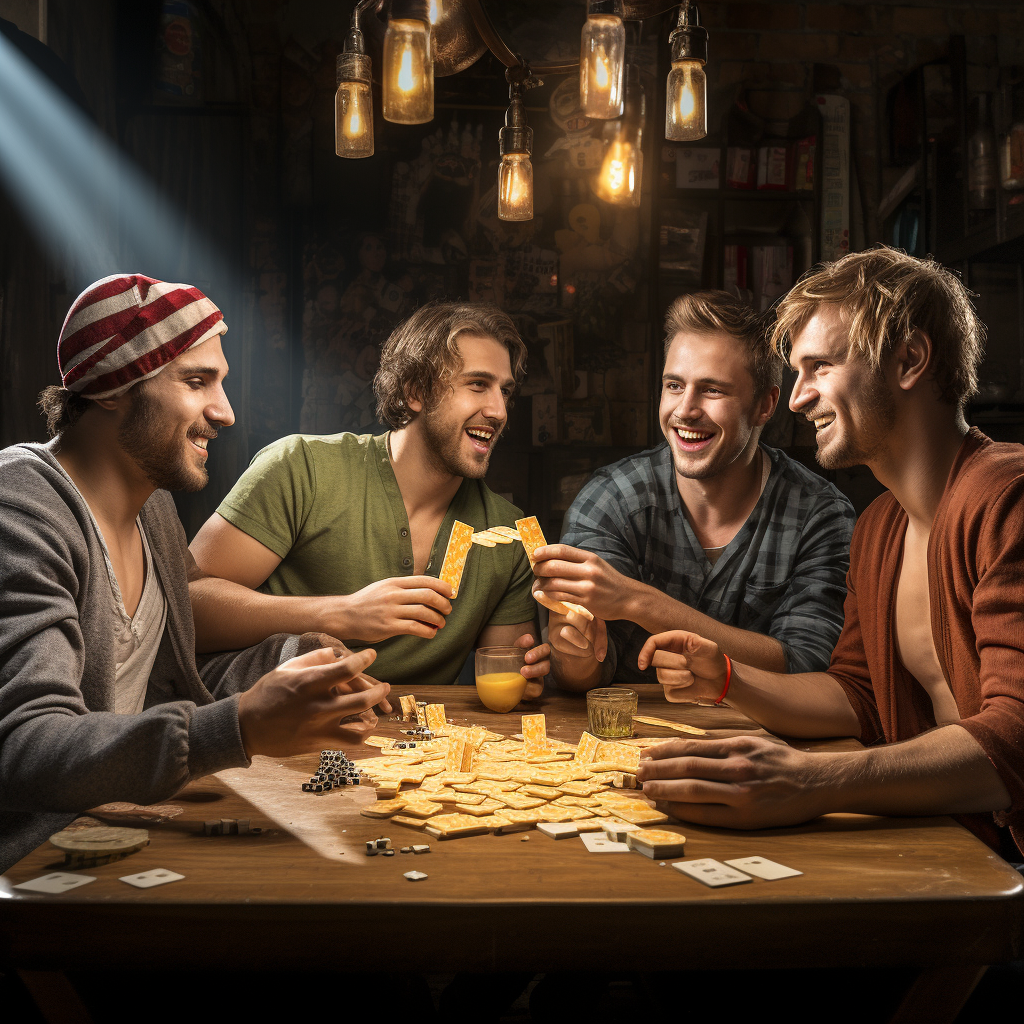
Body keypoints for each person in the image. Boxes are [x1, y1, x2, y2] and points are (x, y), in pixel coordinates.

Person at [637, 247, 1024, 860]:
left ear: (910, 359)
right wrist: (730, 679)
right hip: (947, 849)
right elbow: (857, 697)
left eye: (819, 367)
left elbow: (1016, 737)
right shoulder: (878, 529)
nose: (796, 399)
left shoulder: (1008, 499)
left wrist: (809, 781)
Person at [0, 274, 389, 874]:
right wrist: (237, 726)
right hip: (33, 866)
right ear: (111, 389)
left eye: (221, 383)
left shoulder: (152, 508)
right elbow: (28, 748)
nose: (225, 413)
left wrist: (293, 660)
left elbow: (163, 687)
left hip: (116, 832)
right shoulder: (22, 511)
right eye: (196, 381)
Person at [189, 302, 550, 690]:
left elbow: (505, 683)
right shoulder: (301, 468)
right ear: (415, 392)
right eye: (477, 384)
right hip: (275, 738)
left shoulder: (508, 534)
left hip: (415, 746)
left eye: (505, 391)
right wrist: (341, 613)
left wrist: (528, 675)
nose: (499, 411)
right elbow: (186, 609)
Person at [533, 290, 855, 692]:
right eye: (673, 385)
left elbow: (808, 667)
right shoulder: (610, 499)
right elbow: (585, 676)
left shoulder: (820, 515)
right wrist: (574, 653)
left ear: (764, 405)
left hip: (772, 747)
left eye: (712, 390)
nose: (684, 410)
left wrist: (640, 603)